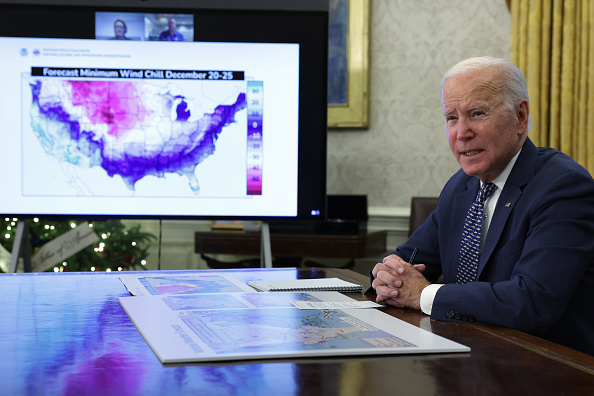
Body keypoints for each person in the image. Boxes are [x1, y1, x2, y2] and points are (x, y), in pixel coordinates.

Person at [370, 56, 594, 356]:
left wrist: (424, 294)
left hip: (545, 366)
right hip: (468, 357)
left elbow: (532, 303)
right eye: (451, 117)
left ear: (520, 116)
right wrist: (387, 276)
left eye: (477, 113)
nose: (461, 133)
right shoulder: (461, 187)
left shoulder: (564, 186)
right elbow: (406, 260)